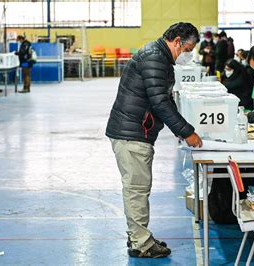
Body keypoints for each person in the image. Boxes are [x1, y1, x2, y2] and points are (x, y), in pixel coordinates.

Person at [106, 22, 203, 258]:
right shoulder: (155, 59)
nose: (187, 55)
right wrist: (186, 132)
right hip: (132, 134)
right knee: (137, 189)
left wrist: (183, 127)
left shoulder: (157, 56)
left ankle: (139, 236)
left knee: (138, 187)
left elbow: (163, 100)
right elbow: (160, 102)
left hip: (135, 131)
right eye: (187, 49)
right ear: (177, 41)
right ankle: (141, 244)